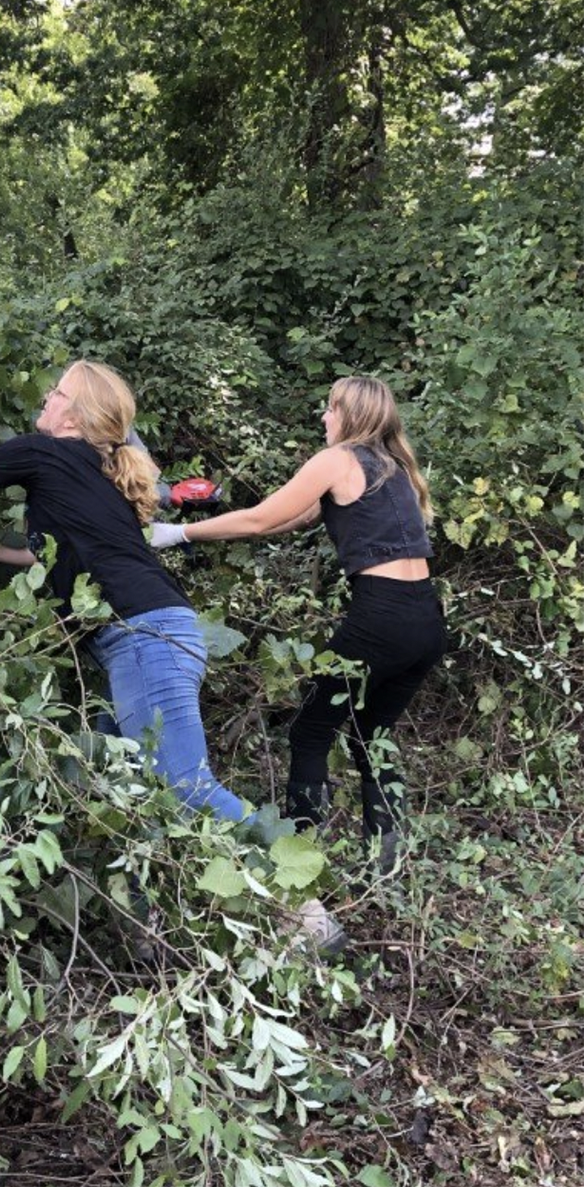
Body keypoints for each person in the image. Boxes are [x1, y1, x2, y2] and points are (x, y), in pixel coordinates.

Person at [0, 358, 346, 952]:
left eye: (56, 391)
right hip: (156, 631)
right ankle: (149, 923)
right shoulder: (93, 475)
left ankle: (304, 903)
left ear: (75, 413)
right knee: (122, 783)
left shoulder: (44, 451)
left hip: (140, 635)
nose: (46, 397)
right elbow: (55, 556)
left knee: (182, 784)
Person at [166, 375, 447, 877]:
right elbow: (290, 520)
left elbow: (258, 520)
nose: (324, 417)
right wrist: (206, 527)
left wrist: (178, 532)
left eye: (330, 408)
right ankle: (386, 867)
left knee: (311, 730)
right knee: (372, 735)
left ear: (350, 414)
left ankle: (299, 857)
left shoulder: (337, 459)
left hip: (379, 615)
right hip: (426, 618)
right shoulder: (395, 467)